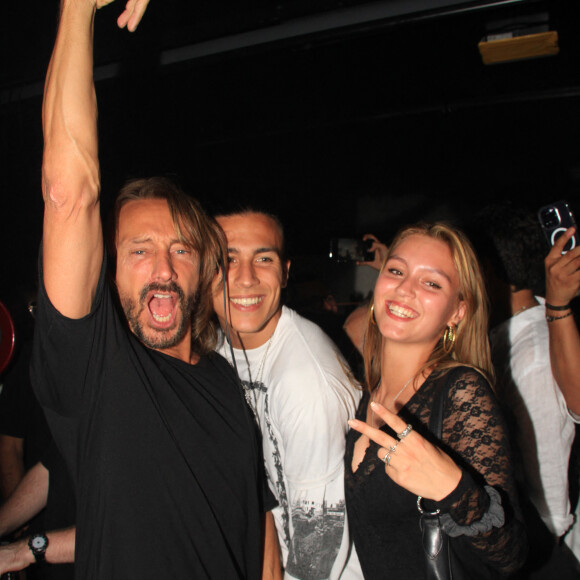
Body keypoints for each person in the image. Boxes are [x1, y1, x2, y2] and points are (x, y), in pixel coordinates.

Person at [29, 1, 276, 578]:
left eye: (181, 249)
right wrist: (76, 11)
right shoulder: (97, 369)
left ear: (202, 268)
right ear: (108, 268)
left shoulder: (221, 378)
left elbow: (256, 524)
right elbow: (70, 190)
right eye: (139, 250)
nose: (162, 267)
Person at [345, 222, 527, 579]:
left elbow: (512, 553)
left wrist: (454, 489)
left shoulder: (462, 391)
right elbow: (358, 326)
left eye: (431, 283)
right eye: (396, 271)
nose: (405, 289)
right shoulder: (376, 386)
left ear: (458, 311)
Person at [212, 209, 363, 579]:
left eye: (264, 259)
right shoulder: (218, 346)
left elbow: (319, 545)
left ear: (285, 272)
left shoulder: (305, 382)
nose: (246, 279)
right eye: (228, 259)